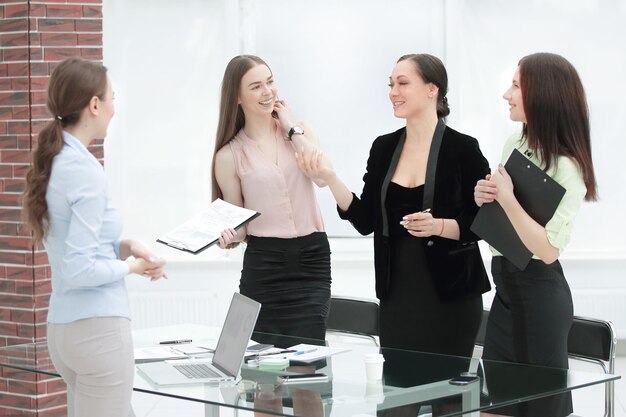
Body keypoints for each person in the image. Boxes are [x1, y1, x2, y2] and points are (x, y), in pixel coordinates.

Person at [301, 53, 490, 356]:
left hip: (453, 296)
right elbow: (366, 221)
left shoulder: (463, 148)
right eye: (391, 84)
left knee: (450, 400)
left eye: (403, 83)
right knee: (396, 398)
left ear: (433, 89)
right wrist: (330, 179)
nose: (393, 92)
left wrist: (439, 226)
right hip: (398, 295)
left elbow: (483, 222)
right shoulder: (383, 147)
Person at [21, 57, 167, 417]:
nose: (115, 108)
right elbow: (80, 269)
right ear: (94, 104)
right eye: (112, 98)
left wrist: (124, 247)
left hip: (65, 331)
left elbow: (77, 243)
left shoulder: (58, 161)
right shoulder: (85, 171)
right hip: (97, 331)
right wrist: (130, 268)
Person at [474, 52, 597, 417]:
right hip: (506, 292)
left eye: (515, 85)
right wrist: (486, 195)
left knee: (541, 410)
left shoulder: (568, 168)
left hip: (541, 297)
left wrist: (508, 199)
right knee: (492, 408)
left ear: (541, 93)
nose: (506, 94)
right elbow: (503, 216)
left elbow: (547, 250)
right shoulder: (516, 142)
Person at [212, 55, 331, 341]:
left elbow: (322, 177)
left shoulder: (301, 132)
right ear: (237, 97)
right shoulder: (229, 156)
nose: (268, 92)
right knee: (264, 373)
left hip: (312, 259)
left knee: (308, 364)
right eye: (255, 86)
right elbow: (241, 226)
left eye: (270, 81)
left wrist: (291, 128)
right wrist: (230, 235)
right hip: (265, 265)